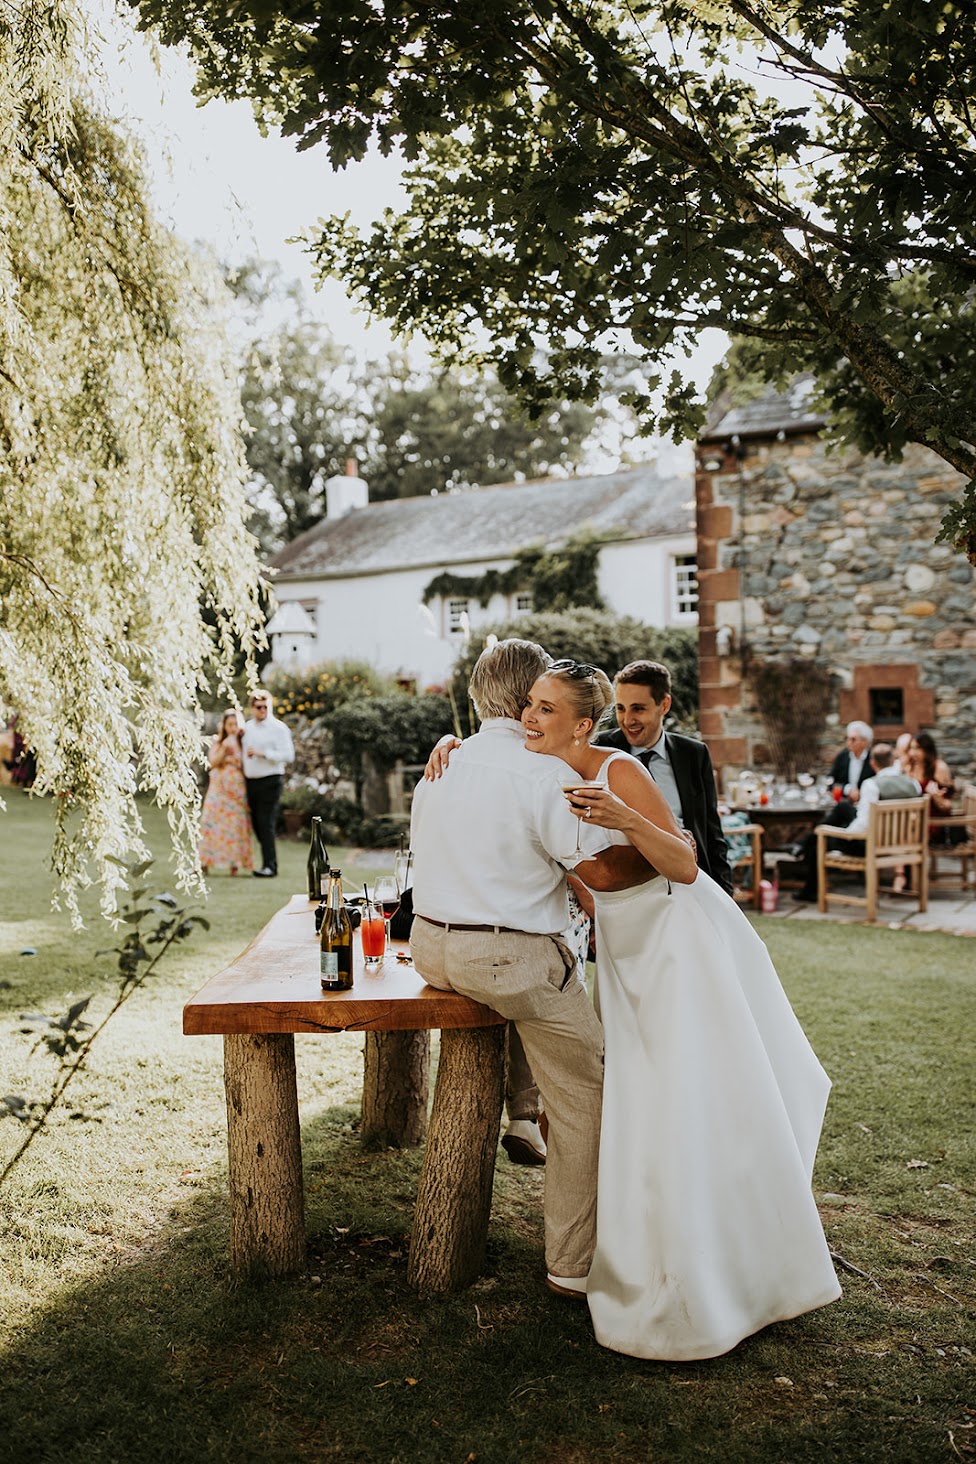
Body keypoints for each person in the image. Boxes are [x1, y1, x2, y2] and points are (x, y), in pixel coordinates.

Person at [527, 659, 840, 1360]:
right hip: (624, 948)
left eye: (545, 709)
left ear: (583, 724)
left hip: (679, 939)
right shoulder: (534, 777)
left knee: (695, 1091)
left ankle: (741, 1265)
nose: (529, 718)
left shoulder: (615, 771)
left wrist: (622, 818)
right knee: (644, 1097)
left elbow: (683, 862)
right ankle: (661, 1243)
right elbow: (581, 879)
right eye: (529, 704)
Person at [408, 640, 648, 1298]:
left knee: (531, 993)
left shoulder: (443, 763)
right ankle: (572, 1266)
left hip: (430, 946)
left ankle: (521, 1114)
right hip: (504, 959)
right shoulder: (539, 774)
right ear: (527, 702)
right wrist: (659, 849)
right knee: (587, 1099)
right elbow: (599, 869)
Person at [596, 659, 734, 895]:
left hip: (690, 881)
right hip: (628, 886)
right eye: (621, 708)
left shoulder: (694, 754)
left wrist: (725, 894)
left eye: (638, 708)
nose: (628, 720)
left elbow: (712, 834)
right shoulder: (600, 749)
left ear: (665, 705)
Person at [793, 742, 919, 900]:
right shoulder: (913, 784)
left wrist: (844, 832)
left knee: (817, 838)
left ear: (872, 764)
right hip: (905, 843)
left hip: (872, 844)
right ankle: (803, 844)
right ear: (892, 761)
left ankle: (810, 891)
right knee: (844, 808)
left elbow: (862, 825)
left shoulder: (872, 785)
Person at [241, 690, 295, 878]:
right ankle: (266, 863)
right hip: (251, 781)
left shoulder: (279, 728)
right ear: (252, 708)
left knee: (266, 822)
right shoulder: (247, 728)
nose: (262, 710)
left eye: (266, 707)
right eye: (259, 707)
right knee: (256, 824)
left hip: (270, 780)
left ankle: (270, 866)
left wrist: (264, 753)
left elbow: (289, 755)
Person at [198, 710, 254, 876]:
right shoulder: (218, 741)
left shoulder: (244, 742)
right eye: (229, 724)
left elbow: (247, 766)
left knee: (234, 826)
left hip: (236, 790)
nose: (233, 728)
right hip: (218, 788)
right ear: (224, 725)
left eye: (235, 724)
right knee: (210, 822)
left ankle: (234, 865)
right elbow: (212, 763)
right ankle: (204, 862)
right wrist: (224, 748)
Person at [829, 721, 875, 811]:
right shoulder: (842, 757)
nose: (849, 742)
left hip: (867, 807)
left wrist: (861, 793)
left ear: (865, 741)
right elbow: (831, 782)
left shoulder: (873, 759)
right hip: (844, 804)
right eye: (848, 739)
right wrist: (848, 790)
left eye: (853, 739)